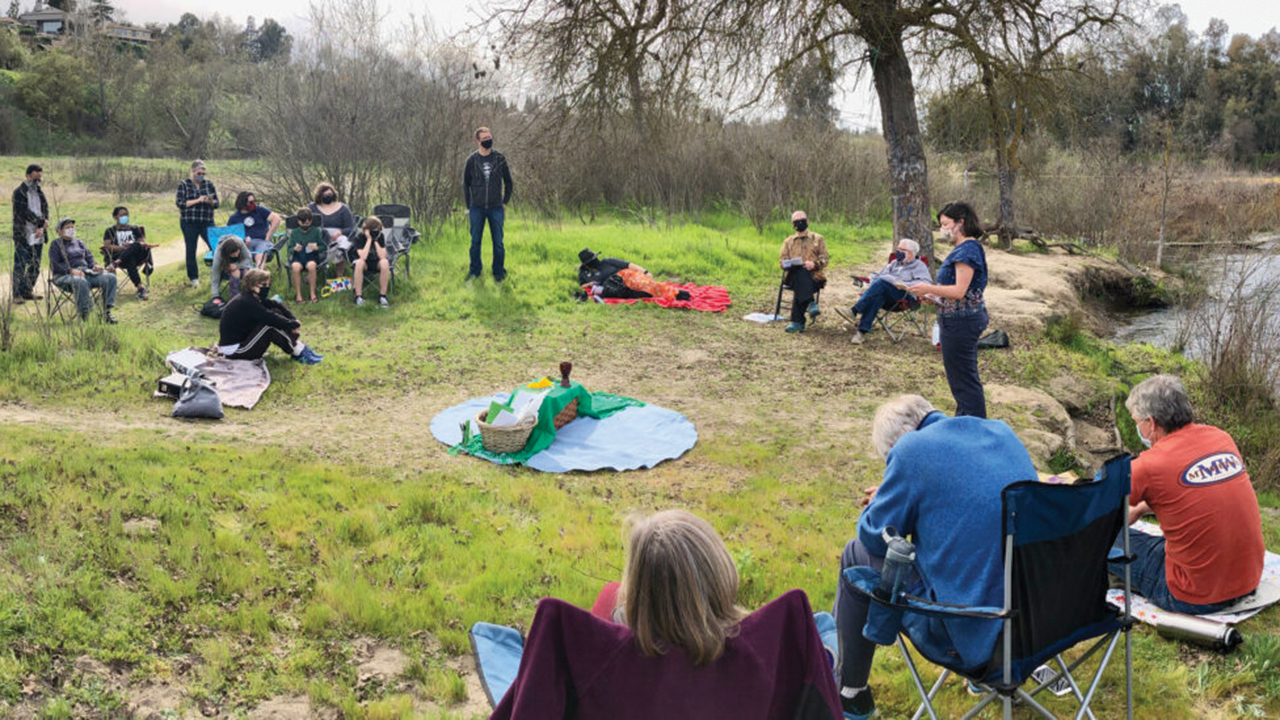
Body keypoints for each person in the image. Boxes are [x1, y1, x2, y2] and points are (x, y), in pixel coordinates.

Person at [490, 510, 842, 719]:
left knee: (608, 597)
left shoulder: (595, 660)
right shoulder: (771, 656)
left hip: (625, 660)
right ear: (719, 571)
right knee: (824, 628)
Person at [834, 395, 1037, 719]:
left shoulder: (912, 451)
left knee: (854, 555)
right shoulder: (1001, 431)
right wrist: (903, 490)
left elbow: (874, 534)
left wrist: (890, 491)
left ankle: (849, 693)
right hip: (1037, 622)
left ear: (899, 443)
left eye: (889, 462)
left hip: (975, 628)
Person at [1108, 375, 1264, 614]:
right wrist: (1140, 509)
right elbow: (1198, 493)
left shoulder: (1149, 464)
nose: (1137, 427)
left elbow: (1095, 508)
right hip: (1247, 580)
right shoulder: (1221, 438)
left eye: (1137, 422)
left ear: (1151, 423)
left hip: (1191, 594)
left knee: (1103, 540)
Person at [902, 202, 989, 417]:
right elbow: (959, 291)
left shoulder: (967, 250)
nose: (943, 229)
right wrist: (935, 296)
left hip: (961, 322)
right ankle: (966, 421)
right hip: (958, 317)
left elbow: (960, 291)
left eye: (945, 224)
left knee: (964, 380)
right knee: (961, 378)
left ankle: (973, 426)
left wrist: (928, 287)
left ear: (961, 222)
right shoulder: (965, 249)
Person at [836, 239, 932, 345]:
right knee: (878, 295)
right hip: (885, 293)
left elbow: (925, 283)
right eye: (898, 249)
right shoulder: (895, 263)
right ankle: (861, 332)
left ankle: (854, 310)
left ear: (910, 253)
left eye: (901, 249)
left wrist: (903, 284)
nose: (897, 252)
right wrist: (871, 282)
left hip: (904, 296)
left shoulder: (919, 266)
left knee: (882, 282)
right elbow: (876, 275)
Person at [217, 269, 322, 364]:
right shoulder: (246, 302)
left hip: (243, 342)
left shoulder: (254, 298)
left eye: (268, 284)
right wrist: (292, 324)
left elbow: (277, 306)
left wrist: (293, 319)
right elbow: (270, 318)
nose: (266, 288)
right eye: (263, 285)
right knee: (269, 327)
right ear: (251, 285)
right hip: (235, 351)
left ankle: (298, 347)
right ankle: (297, 351)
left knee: (276, 311)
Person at [463, 126, 513, 282]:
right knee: (475, 241)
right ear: (478, 141)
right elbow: (465, 184)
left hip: (495, 207)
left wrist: (504, 202)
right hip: (477, 208)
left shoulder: (499, 158)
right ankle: (475, 271)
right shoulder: (471, 160)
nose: (488, 141)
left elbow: (509, 182)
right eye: (484, 139)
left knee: (498, 242)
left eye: (489, 137)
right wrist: (468, 206)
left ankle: (498, 272)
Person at [48, 219, 118, 324]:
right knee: (80, 281)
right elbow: (55, 264)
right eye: (67, 228)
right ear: (59, 230)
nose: (71, 229)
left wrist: (95, 265)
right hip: (64, 275)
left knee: (111, 278)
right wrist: (71, 271)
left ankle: (106, 311)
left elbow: (89, 258)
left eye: (72, 227)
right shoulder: (56, 244)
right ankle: (87, 314)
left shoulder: (79, 242)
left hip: (86, 272)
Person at [577, 248, 692, 301]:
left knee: (643, 284)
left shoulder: (607, 261)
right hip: (615, 286)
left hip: (627, 276)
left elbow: (628, 264)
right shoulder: (585, 273)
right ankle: (662, 294)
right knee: (640, 293)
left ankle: (675, 293)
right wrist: (590, 284)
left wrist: (645, 272)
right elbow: (583, 286)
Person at [778, 210, 828, 333]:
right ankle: (810, 302)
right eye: (796, 221)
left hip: (814, 277)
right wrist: (788, 265)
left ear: (807, 221)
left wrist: (814, 264)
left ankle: (797, 322)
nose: (800, 223)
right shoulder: (788, 241)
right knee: (799, 271)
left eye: (802, 220)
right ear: (792, 224)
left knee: (803, 274)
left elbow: (825, 259)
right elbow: (782, 261)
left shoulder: (818, 239)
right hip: (792, 277)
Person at [176, 160, 220, 288]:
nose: (201, 175)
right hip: (189, 222)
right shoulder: (184, 184)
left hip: (207, 221)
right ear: (193, 171)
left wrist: (210, 201)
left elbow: (217, 204)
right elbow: (181, 203)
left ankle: (219, 272)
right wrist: (198, 200)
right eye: (199, 173)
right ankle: (194, 278)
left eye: (203, 173)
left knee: (216, 246)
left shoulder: (208, 184)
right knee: (191, 249)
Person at [101, 205, 158, 301]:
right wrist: (122, 247)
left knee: (135, 244)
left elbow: (142, 243)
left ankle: (116, 263)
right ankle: (140, 288)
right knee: (129, 258)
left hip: (137, 255)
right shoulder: (110, 230)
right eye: (122, 215)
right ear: (115, 217)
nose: (124, 217)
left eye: (126, 215)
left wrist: (131, 244)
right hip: (120, 255)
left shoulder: (134, 228)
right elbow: (107, 246)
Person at [11, 163, 48, 303]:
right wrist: (39, 222)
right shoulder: (19, 192)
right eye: (35, 177)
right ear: (27, 175)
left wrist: (45, 221)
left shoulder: (39, 191)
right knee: (20, 263)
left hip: (39, 233)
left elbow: (45, 208)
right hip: (24, 233)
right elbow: (23, 212)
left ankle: (27, 290)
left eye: (39, 177)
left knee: (35, 263)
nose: (38, 180)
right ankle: (16, 294)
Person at [308, 182, 356, 277]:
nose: (328, 196)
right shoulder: (312, 208)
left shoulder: (343, 208)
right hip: (319, 237)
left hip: (337, 238)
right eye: (325, 195)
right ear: (320, 195)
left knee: (343, 243)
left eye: (330, 194)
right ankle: (314, 271)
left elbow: (351, 228)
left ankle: (339, 275)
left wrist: (340, 232)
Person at [227, 191, 282, 269]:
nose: (254, 204)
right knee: (241, 256)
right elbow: (229, 235)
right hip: (244, 244)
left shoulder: (259, 210)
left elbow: (277, 219)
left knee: (260, 255)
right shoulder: (234, 218)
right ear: (243, 203)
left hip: (262, 241)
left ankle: (258, 276)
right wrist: (241, 241)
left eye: (254, 201)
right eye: (251, 202)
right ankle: (249, 276)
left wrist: (268, 235)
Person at [288, 207, 327, 304]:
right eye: (304, 223)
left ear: (311, 221)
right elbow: (289, 249)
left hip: (312, 256)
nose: (306, 225)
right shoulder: (295, 232)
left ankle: (312, 294)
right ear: (299, 222)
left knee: (312, 266)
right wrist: (294, 249)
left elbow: (323, 246)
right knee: (295, 267)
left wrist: (316, 247)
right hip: (298, 257)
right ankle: (298, 295)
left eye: (308, 223)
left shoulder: (315, 231)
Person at [351, 216, 390, 307]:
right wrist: (369, 239)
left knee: (385, 262)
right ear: (366, 229)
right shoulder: (360, 237)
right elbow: (363, 257)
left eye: (377, 230)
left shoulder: (380, 237)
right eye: (372, 230)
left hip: (376, 262)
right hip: (363, 263)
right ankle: (358, 297)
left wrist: (376, 240)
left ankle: (383, 296)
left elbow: (382, 256)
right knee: (359, 262)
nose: (375, 232)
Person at [210, 232, 253, 301]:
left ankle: (249, 296)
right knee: (235, 272)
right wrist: (216, 295)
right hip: (226, 267)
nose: (236, 255)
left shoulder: (240, 242)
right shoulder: (219, 253)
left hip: (242, 265)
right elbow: (215, 273)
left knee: (246, 273)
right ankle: (234, 299)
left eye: (237, 252)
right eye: (233, 254)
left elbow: (249, 260)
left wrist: (237, 265)